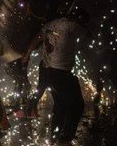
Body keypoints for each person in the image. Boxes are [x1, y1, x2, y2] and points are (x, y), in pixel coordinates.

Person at [36, 9, 87, 144]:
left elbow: (39, 39)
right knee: (77, 105)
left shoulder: (49, 25)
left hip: (47, 70)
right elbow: (85, 35)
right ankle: (65, 138)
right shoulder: (71, 25)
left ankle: (54, 136)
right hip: (61, 72)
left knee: (60, 105)